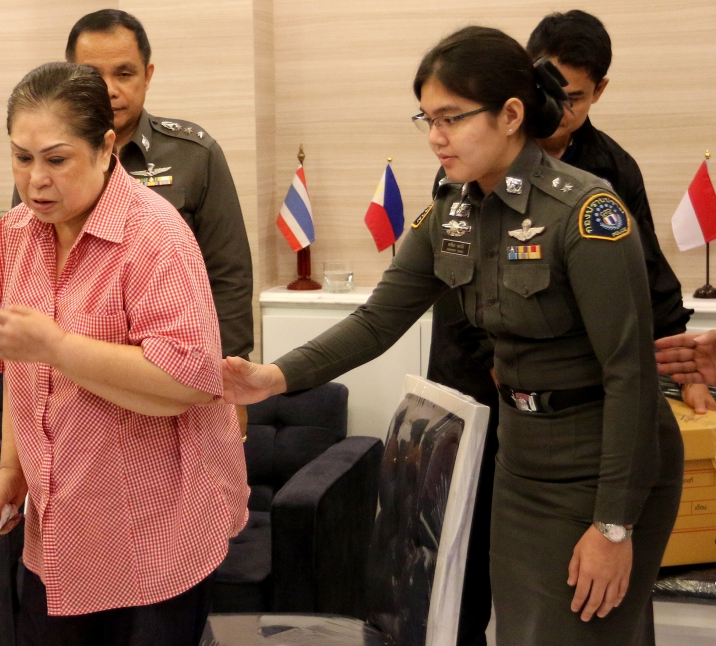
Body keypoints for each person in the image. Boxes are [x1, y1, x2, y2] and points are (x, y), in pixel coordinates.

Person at [220, 26, 684, 645]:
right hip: (522, 460)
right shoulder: (453, 212)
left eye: (452, 118)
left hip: (602, 461)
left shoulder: (584, 213)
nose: (436, 136)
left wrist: (614, 525)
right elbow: (377, 321)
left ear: (511, 115)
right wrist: (272, 377)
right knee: (523, 632)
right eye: (428, 119)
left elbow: (632, 375)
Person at [427, 12, 696, 643]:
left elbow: (643, 301)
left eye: (573, 96)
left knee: (598, 609)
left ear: (598, 91)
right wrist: (276, 376)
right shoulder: (462, 178)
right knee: (481, 586)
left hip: (583, 426)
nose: (559, 107)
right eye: (431, 120)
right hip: (491, 405)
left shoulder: (602, 181)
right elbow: (446, 291)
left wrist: (684, 365)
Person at [0, 62, 248, 645]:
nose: (35, 180)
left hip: (156, 529)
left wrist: (58, 347)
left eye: (56, 159)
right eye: (21, 157)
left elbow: (188, 383)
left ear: (106, 147)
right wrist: (13, 471)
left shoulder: (155, 235)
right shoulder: (13, 236)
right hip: (60, 528)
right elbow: (19, 374)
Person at [62, 9, 254, 437]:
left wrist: (232, 386)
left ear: (147, 76)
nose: (109, 90)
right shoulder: (48, 161)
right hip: (74, 384)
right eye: (92, 75)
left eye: (124, 73)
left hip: (176, 382)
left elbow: (229, 276)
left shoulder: (194, 154)